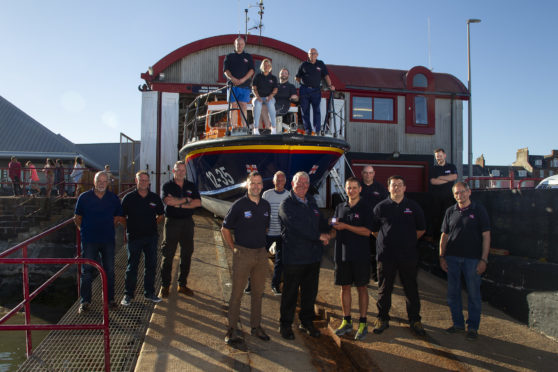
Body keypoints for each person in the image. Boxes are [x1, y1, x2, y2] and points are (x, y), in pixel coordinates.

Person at [371, 175, 427, 336]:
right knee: (384, 289)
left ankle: (415, 320)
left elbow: (421, 229)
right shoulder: (380, 207)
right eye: (393, 185)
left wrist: (407, 240)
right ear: (388, 188)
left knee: (411, 289)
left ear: (404, 188)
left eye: (399, 185)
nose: (396, 188)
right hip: (386, 256)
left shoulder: (413, 207)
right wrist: (387, 241)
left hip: (408, 256)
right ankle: (382, 318)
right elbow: (374, 230)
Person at [278, 171, 330, 340]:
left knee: (309, 294)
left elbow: (321, 221)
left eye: (305, 184)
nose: (302, 186)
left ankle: (306, 322)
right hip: (294, 259)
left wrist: (330, 229)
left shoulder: (312, 203)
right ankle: (285, 325)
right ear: (292, 184)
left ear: (309, 185)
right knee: (290, 294)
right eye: (299, 183)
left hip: (313, 258)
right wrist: (318, 236)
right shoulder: (286, 205)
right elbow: (296, 227)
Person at [221, 172, 271, 345]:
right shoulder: (239, 205)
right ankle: (232, 330)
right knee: (237, 294)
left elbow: (265, 228)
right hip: (243, 253)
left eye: (259, 183)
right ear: (247, 184)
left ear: (262, 186)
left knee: (258, 293)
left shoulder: (265, 205)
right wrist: (234, 248)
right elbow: (225, 228)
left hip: (261, 254)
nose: (256, 186)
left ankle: (256, 327)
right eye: (253, 183)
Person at [439, 182, 490, 340]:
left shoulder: (478, 210)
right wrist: (441, 256)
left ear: (469, 192)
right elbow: (444, 236)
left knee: (473, 294)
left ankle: (473, 327)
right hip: (452, 259)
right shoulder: (450, 211)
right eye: (456, 193)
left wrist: (484, 259)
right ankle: (458, 324)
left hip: (472, 260)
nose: (459, 196)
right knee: (453, 294)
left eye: (462, 192)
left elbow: (486, 236)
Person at [74, 171, 124, 313]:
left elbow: (118, 217)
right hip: (89, 240)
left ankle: (109, 300)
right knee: (87, 272)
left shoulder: (113, 198)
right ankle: (85, 302)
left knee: (109, 270)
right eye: (99, 181)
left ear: (107, 182)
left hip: (107, 240)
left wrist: (108, 227)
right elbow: (77, 217)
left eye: (104, 181)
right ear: (94, 182)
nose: (102, 184)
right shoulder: (84, 198)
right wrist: (83, 231)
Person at [330, 177, 373, 341]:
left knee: (362, 288)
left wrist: (346, 226)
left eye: (354, 188)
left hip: (360, 255)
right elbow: (335, 227)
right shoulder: (340, 207)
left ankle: (363, 322)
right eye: (349, 188)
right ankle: (346, 320)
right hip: (342, 255)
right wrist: (329, 232)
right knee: (344, 287)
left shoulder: (366, 208)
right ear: (345, 189)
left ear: (360, 189)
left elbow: (367, 231)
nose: (351, 191)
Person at [121, 171, 165, 306]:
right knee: (131, 267)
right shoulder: (128, 198)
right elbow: (121, 217)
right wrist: (129, 227)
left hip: (151, 237)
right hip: (134, 238)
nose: (144, 182)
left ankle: (149, 293)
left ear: (149, 182)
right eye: (141, 180)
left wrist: (151, 225)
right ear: (136, 181)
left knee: (151, 266)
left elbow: (161, 215)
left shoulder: (155, 198)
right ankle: (128, 295)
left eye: (146, 180)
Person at [159, 160, 201, 298]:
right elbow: (168, 202)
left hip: (187, 223)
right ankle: (165, 286)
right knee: (168, 254)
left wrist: (180, 203)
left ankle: (182, 285)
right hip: (172, 223)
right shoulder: (167, 186)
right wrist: (187, 200)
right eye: (178, 170)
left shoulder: (190, 185)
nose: (181, 172)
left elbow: (198, 202)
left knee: (187, 253)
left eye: (183, 170)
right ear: (173, 171)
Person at [296, 48, 335, 135]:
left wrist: (330, 85)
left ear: (317, 55)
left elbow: (326, 76)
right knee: (304, 111)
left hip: (316, 90)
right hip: (304, 90)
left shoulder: (320, 64)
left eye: (314, 53)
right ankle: (308, 131)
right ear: (308, 55)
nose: (312, 55)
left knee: (316, 110)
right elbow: (297, 77)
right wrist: (302, 83)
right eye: (310, 53)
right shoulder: (303, 64)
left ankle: (317, 131)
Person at [360, 165, 388, 282]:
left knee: (374, 253)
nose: (368, 175)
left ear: (374, 173)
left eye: (370, 173)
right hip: (360, 226)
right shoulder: (357, 187)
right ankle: (361, 277)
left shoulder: (380, 188)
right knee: (360, 253)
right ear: (362, 173)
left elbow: (386, 206)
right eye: (366, 173)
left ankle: (375, 277)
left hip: (375, 227)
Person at [224, 37, 254, 128]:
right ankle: (234, 127)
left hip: (244, 86)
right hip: (232, 86)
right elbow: (226, 70)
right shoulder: (229, 56)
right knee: (233, 106)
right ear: (234, 44)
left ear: (244, 45)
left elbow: (252, 70)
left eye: (241, 44)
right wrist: (233, 79)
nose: (239, 45)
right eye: (237, 44)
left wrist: (243, 80)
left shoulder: (248, 57)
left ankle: (244, 126)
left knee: (243, 106)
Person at [430, 148, 458, 239]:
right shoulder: (434, 168)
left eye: (440, 156)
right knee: (436, 218)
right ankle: (436, 238)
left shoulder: (451, 166)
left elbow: (454, 177)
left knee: (448, 217)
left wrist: (441, 177)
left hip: (449, 197)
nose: (439, 158)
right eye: (437, 156)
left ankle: (448, 237)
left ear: (444, 156)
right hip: (436, 198)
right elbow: (433, 181)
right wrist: (447, 179)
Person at [251, 59, 278, 134]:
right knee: (257, 105)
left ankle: (273, 128)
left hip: (269, 97)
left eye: (268, 65)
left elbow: (275, 89)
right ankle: (256, 128)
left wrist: (270, 96)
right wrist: (257, 96)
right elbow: (254, 88)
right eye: (264, 65)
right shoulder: (257, 76)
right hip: (258, 97)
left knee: (271, 105)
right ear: (262, 66)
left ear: (270, 67)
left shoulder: (273, 78)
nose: (266, 66)